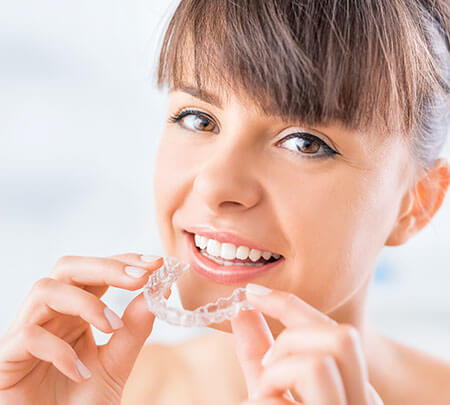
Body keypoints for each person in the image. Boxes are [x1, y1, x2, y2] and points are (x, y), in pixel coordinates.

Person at [0, 0, 449, 404]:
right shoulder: (74, 391)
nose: (215, 185)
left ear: (416, 203)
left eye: (305, 143)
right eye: (198, 119)